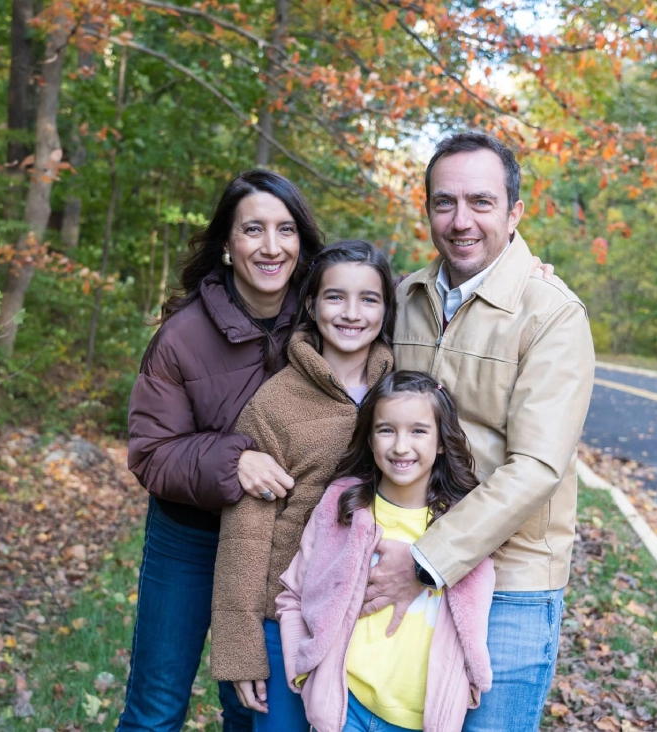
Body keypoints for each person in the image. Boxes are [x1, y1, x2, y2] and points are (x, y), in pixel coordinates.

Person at [364, 131, 595, 731]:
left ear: (514, 213)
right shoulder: (406, 298)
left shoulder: (552, 314)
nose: (460, 220)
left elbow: (537, 467)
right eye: (445, 202)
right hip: (406, 552)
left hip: (511, 583)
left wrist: (426, 560)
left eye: (481, 202)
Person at [118, 170, 325, 731]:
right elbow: (151, 452)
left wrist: (524, 271)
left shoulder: (325, 318)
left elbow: (392, 297)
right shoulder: (181, 336)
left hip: (278, 544)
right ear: (228, 245)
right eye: (253, 229)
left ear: (302, 242)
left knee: (252, 707)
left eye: (286, 229)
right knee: (156, 707)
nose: (271, 246)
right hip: (189, 537)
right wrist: (235, 461)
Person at [210, 240, 396, 731]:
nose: (352, 313)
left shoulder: (400, 392)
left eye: (369, 299)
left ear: (386, 309)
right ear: (311, 305)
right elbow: (246, 533)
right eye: (335, 297)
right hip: (288, 618)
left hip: (376, 616)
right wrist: (240, 646)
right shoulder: (275, 403)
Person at [276, 371, 496, 732]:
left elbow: (471, 625)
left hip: (419, 720)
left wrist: (466, 687)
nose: (401, 446)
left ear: (442, 441)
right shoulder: (344, 507)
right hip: (344, 708)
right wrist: (307, 673)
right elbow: (293, 595)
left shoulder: (462, 529)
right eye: (386, 430)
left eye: (418, 431)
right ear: (369, 437)